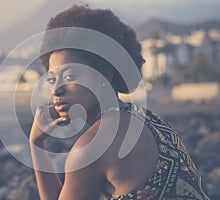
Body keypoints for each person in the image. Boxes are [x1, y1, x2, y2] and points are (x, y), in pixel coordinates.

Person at [29, 5, 210, 200]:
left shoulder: (91, 148)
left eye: (70, 75)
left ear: (104, 76)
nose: (56, 89)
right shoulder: (150, 120)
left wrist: (36, 144)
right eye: (51, 79)